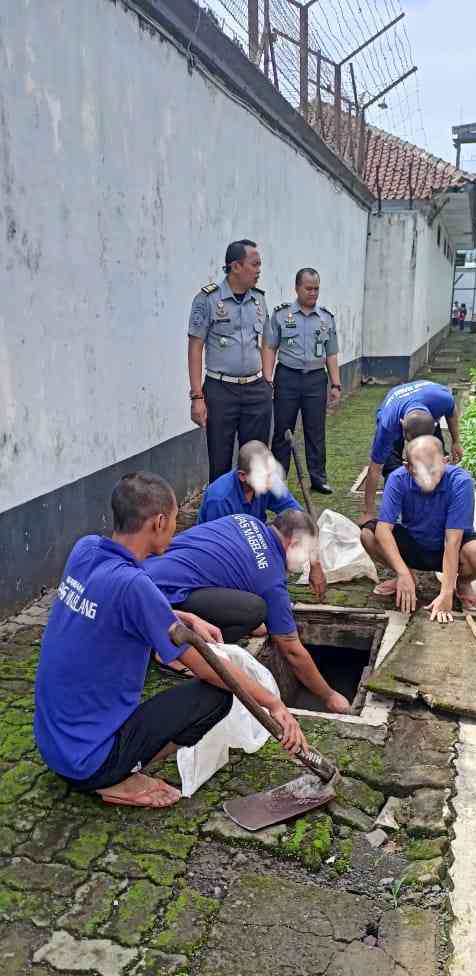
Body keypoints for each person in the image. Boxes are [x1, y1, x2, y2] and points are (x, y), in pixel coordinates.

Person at [34, 473, 306, 808]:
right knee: (216, 697)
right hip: (89, 764)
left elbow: (115, 606)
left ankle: (113, 765)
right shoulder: (134, 586)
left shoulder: (85, 550)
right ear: (159, 522)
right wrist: (273, 703)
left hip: (53, 743)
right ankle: (119, 777)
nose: (177, 527)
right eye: (176, 519)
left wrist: (183, 616)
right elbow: (209, 668)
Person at [144, 509, 351, 713]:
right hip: (162, 597)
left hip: (145, 570)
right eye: (306, 552)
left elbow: (229, 571)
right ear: (293, 544)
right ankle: (173, 652)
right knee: (255, 611)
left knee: (254, 618)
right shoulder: (270, 577)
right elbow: (291, 650)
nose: (305, 560)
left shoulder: (245, 520)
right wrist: (329, 696)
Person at [360, 436, 476, 620]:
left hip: (451, 549)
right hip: (414, 543)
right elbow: (384, 529)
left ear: (445, 462)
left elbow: (452, 541)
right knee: (368, 534)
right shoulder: (397, 478)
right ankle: (406, 577)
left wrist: (446, 593)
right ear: (408, 467)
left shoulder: (461, 482)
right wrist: (402, 572)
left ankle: (461, 583)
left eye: (433, 470)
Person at [188, 239, 273, 483]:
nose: (259, 270)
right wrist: (197, 396)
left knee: (256, 461)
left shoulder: (259, 299)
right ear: (236, 266)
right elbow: (195, 348)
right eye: (254, 264)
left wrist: (267, 378)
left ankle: (252, 516)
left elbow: (266, 341)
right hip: (220, 390)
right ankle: (221, 518)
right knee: (220, 462)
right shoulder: (207, 300)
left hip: (256, 391)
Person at [197, 439, 327, 599]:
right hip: (220, 556)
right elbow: (219, 554)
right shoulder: (219, 500)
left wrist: (315, 565)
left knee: (284, 542)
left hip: (250, 540)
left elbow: (302, 522)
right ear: (243, 476)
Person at [264, 268, 342, 496]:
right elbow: (269, 346)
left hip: (316, 379)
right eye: (308, 288)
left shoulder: (326, 318)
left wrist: (335, 384)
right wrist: (267, 378)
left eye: (316, 288)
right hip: (287, 376)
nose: (313, 293)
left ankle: (318, 478)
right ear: (297, 288)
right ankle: (278, 480)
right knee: (282, 430)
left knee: (315, 430)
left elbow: (331, 353)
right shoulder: (281, 315)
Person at [361, 380, 463, 523]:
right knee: (391, 467)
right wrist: (369, 511)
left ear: (435, 424)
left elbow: (451, 412)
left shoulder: (442, 400)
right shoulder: (387, 425)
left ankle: (435, 497)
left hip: (427, 404)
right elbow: (374, 469)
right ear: (402, 426)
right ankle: (398, 504)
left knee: (435, 458)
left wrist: (456, 442)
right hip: (396, 410)